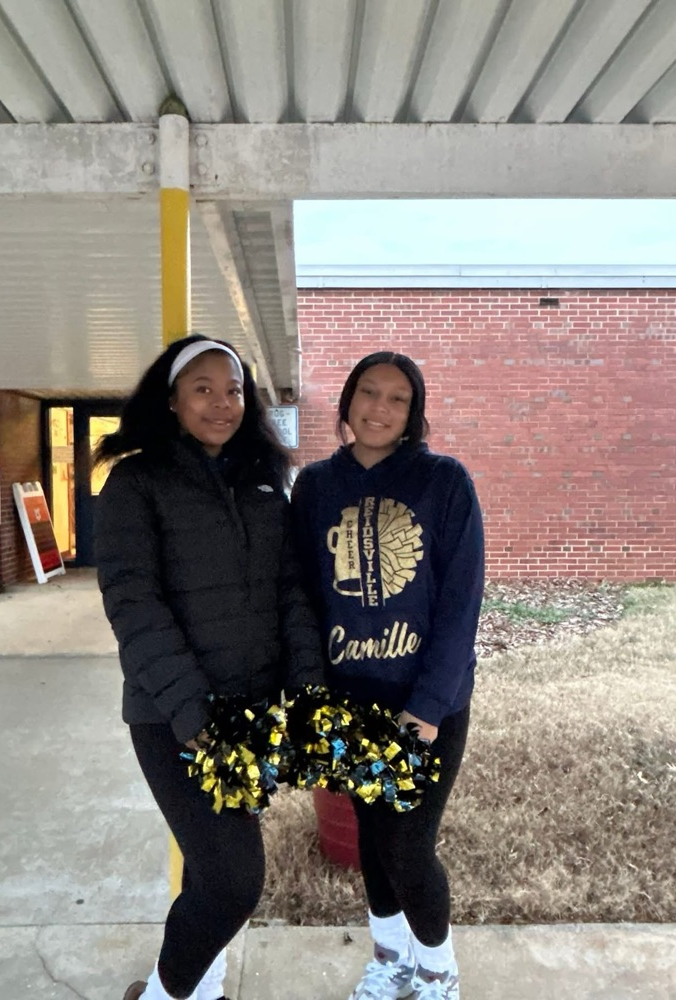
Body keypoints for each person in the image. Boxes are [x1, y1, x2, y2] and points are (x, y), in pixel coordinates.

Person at [94, 334, 324, 1000]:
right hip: (174, 718)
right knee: (233, 880)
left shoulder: (260, 482)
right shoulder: (137, 483)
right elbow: (134, 606)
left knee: (209, 869)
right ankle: (167, 996)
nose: (222, 403)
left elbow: (291, 591)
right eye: (202, 388)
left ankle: (202, 987)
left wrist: (305, 691)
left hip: (250, 710)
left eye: (234, 389)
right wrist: (195, 715)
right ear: (170, 401)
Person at [291, 352, 484, 1000]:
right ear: (346, 403)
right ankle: (392, 961)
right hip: (351, 703)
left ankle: (438, 972)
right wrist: (313, 700)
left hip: (426, 705)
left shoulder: (445, 481)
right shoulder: (315, 487)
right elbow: (303, 599)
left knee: (407, 843)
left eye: (397, 399)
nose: (380, 407)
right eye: (368, 393)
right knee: (373, 840)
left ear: (414, 413)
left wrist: (427, 708)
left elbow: (461, 602)